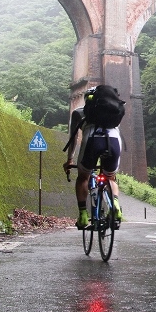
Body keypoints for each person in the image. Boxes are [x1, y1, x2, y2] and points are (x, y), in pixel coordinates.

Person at [63, 89, 124, 229]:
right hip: (114, 141)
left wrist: (69, 160)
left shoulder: (78, 112)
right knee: (110, 178)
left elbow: (73, 139)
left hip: (92, 140)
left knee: (83, 177)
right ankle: (115, 204)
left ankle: (83, 215)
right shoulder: (113, 110)